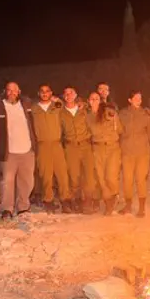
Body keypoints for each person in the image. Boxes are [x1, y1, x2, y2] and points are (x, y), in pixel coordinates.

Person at [0, 81, 37, 219]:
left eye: (14, 90)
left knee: (27, 181)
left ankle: (23, 207)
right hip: (9, 151)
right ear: (5, 91)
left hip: (27, 149)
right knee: (7, 182)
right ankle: (7, 209)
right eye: (9, 90)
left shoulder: (25, 104)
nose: (12, 93)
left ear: (19, 91)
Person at [32, 84, 72, 214]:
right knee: (46, 174)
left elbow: (70, 105)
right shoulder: (33, 108)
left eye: (47, 91)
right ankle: (48, 201)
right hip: (42, 145)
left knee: (62, 174)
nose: (45, 93)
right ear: (39, 93)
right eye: (42, 91)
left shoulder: (57, 106)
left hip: (57, 144)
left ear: (51, 93)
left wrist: (58, 100)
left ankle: (65, 201)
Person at [60, 86, 95, 214]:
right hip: (71, 147)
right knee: (74, 176)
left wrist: (84, 103)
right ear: (63, 96)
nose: (69, 95)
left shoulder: (84, 109)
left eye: (71, 93)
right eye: (66, 93)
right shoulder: (61, 113)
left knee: (89, 176)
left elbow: (96, 106)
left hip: (86, 146)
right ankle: (77, 201)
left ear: (76, 95)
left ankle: (88, 202)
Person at [118, 90, 150, 217]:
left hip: (142, 151)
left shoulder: (146, 114)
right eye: (136, 98)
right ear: (129, 100)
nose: (139, 100)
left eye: (140, 98)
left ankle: (142, 208)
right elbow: (118, 129)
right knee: (127, 180)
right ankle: (128, 205)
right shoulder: (122, 114)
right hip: (127, 151)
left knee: (141, 179)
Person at [88, 96, 123, 215]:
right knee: (101, 178)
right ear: (88, 101)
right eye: (91, 99)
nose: (94, 102)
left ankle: (114, 195)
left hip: (112, 147)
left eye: (96, 99)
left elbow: (119, 129)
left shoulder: (109, 112)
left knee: (111, 176)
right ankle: (109, 201)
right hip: (97, 148)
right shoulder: (87, 116)